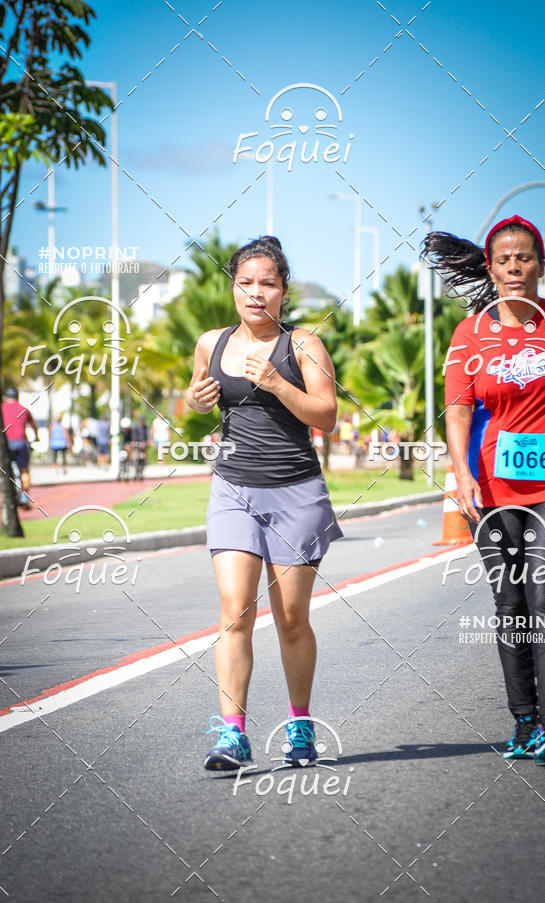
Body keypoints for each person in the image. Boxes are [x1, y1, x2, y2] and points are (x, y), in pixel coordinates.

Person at [423, 214, 545, 764]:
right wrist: (463, 477)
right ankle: (522, 723)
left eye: (525, 257)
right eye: (504, 259)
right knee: (510, 602)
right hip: (493, 490)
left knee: (544, 595)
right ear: (490, 268)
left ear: (541, 267)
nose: (515, 267)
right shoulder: (469, 334)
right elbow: (456, 411)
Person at [186, 235, 342, 771]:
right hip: (232, 489)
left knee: (292, 617)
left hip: (295, 491)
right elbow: (194, 392)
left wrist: (277, 383)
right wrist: (195, 398)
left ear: (283, 291)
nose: (256, 293)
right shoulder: (213, 342)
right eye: (245, 283)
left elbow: (326, 416)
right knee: (235, 613)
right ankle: (232, 735)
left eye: (267, 284)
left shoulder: (303, 346)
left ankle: (300, 726)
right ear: (233, 286)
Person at [2, 387, 39, 507]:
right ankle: (24, 497)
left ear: (6, 397)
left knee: (4, 470)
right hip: (21, 442)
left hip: (6, 444)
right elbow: (33, 426)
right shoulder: (24, 410)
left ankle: (5, 497)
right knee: (24, 470)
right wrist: (37, 437)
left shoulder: (1, 408)